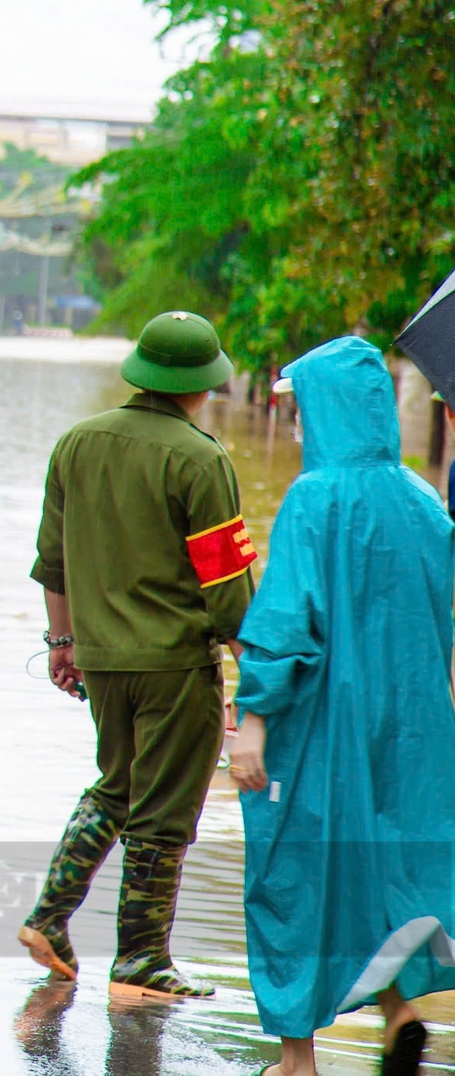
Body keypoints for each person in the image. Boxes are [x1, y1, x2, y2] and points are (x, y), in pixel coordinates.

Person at [230, 337, 455, 1076]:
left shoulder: (314, 498)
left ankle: (297, 1057)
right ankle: (398, 1013)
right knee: (388, 867)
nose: (296, 427)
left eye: (300, 411)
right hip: (414, 731)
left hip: (322, 728)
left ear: (325, 411)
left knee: (297, 873)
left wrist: (253, 720)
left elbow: (285, 618)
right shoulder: (424, 502)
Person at [18, 311, 256, 998]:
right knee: (164, 810)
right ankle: (142, 957)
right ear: (204, 383)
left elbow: (52, 563)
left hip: (101, 661)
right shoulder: (201, 458)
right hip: (175, 665)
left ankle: (49, 917)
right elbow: (226, 589)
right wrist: (258, 675)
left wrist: (64, 644)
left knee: (115, 789)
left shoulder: (76, 443)